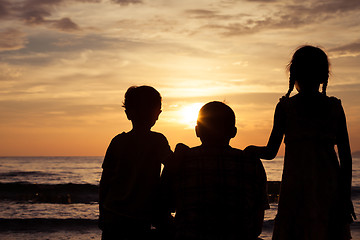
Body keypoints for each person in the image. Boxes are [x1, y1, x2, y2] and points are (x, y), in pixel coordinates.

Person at [244, 45, 356, 240]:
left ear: (293, 75)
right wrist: (345, 197)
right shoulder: (333, 107)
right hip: (329, 188)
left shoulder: (286, 108)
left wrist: (251, 150)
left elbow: (270, 151)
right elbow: (346, 158)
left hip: (295, 189)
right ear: (324, 77)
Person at [161, 101, 269, 240]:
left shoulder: (180, 161)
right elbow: (256, 226)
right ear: (234, 132)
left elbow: (161, 211)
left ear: (197, 131)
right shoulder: (251, 163)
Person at [99, 85, 172, 239]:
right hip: (141, 214)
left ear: (128, 114)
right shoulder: (157, 140)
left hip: (114, 213)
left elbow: (105, 182)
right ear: (157, 113)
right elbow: (172, 165)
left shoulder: (118, 141)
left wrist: (102, 212)